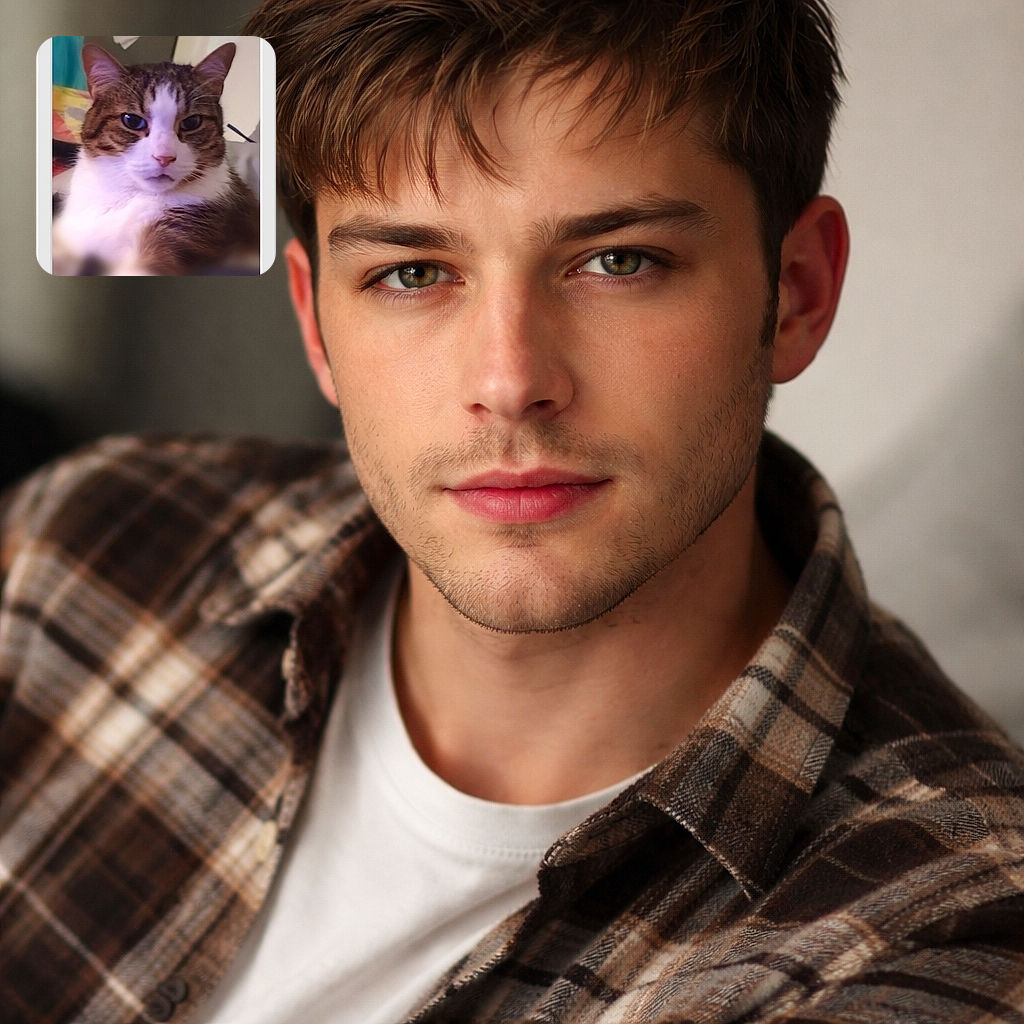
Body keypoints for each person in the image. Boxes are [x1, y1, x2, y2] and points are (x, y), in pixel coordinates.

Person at [2, 1, 1023, 1021]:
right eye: (411, 273)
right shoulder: (81, 542)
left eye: (618, 260)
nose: (510, 381)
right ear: (316, 324)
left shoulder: (945, 925)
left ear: (796, 292)